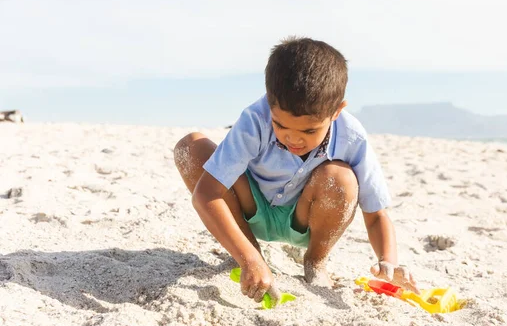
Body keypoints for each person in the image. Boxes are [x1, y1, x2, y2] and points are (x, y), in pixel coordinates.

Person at [174, 37, 419, 305]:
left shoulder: (352, 136)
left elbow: (375, 216)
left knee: (342, 178)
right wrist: (250, 258)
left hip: (305, 220)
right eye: (281, 126)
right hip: (249, 209)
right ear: (269, 103)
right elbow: (206, 194)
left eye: (309, 131)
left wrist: (388, 262)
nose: (294, 139)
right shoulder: (255, 118)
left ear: (337, 111)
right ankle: (255, 261)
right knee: (191, 148)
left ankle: (315, 263)